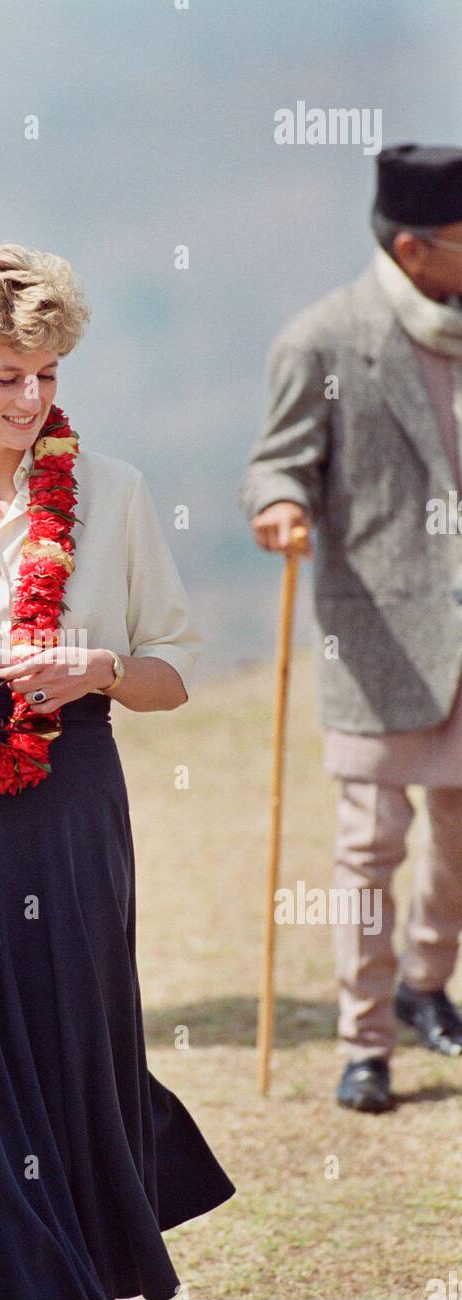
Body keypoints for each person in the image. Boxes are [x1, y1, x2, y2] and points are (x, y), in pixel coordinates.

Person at [0, 242, 235, 1300]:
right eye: (6, 376)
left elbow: (172, 675)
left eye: (48, 374)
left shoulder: (111, 495)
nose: (30, 398)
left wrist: (99, 667)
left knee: (74, 1046)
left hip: (72, 805)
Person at [241, 145, 462, 1113]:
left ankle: (423, 985)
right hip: (373, 639)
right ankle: (362, 1039)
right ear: (412, 249)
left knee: (456, 843)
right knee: (367, 850)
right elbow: (275, 463)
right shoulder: (322, 341)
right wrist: (279, 509)